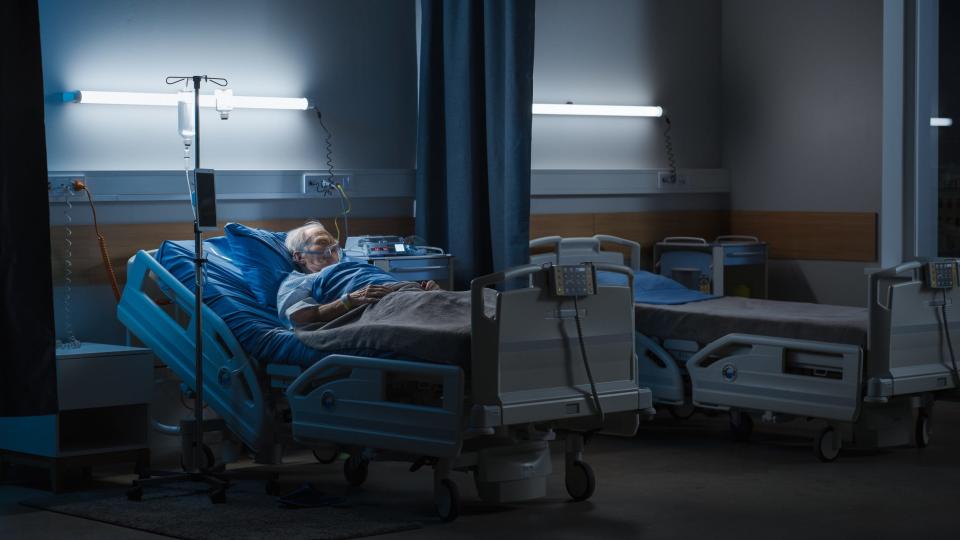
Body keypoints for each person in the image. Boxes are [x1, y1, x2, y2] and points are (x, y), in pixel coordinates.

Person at [277, 221, 439, 328]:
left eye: (333, 245)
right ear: (299, 256)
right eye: (321, 244)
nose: (332, 251)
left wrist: (429, 292)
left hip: (407, 294)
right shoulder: (298, 281)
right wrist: (348, 301)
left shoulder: (356, 265)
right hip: (382, 308)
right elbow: (296, 317)